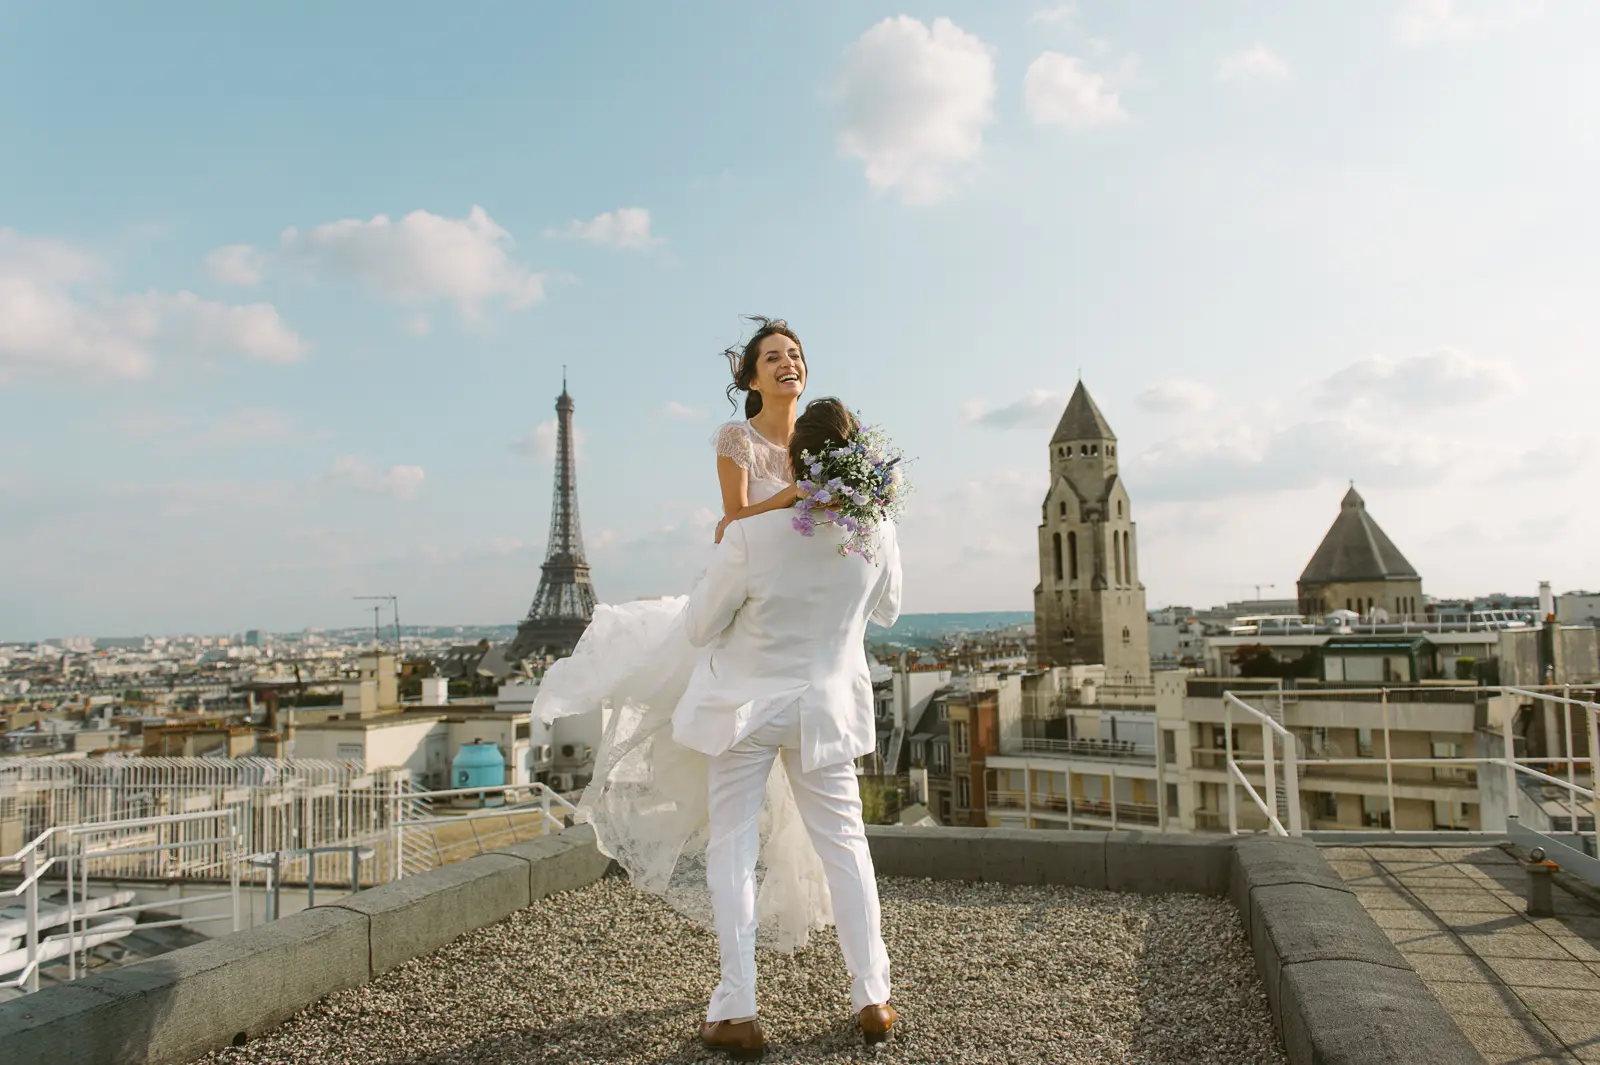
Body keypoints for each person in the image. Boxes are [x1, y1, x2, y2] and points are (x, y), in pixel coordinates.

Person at [530, 319, 841, 994]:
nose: (788, 363)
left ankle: (745, 988)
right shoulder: (740, 441)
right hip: (745, 620)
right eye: (773, 356)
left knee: (780, 816)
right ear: (751, 377)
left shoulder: (822, 448)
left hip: (795, 642)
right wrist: (799, 494)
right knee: (739, 813)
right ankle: (748, 981)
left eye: (795, 354)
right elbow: (734, 521)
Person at [684, 397, 904, 1058]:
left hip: (747, 710)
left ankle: (739, 1006)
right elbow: (889, 609)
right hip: (826, 709)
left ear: (797, 464)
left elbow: (699, 625)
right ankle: (872, 996)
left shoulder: (751, 536)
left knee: (732, 847)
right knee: (846, 846)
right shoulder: (877, 531)